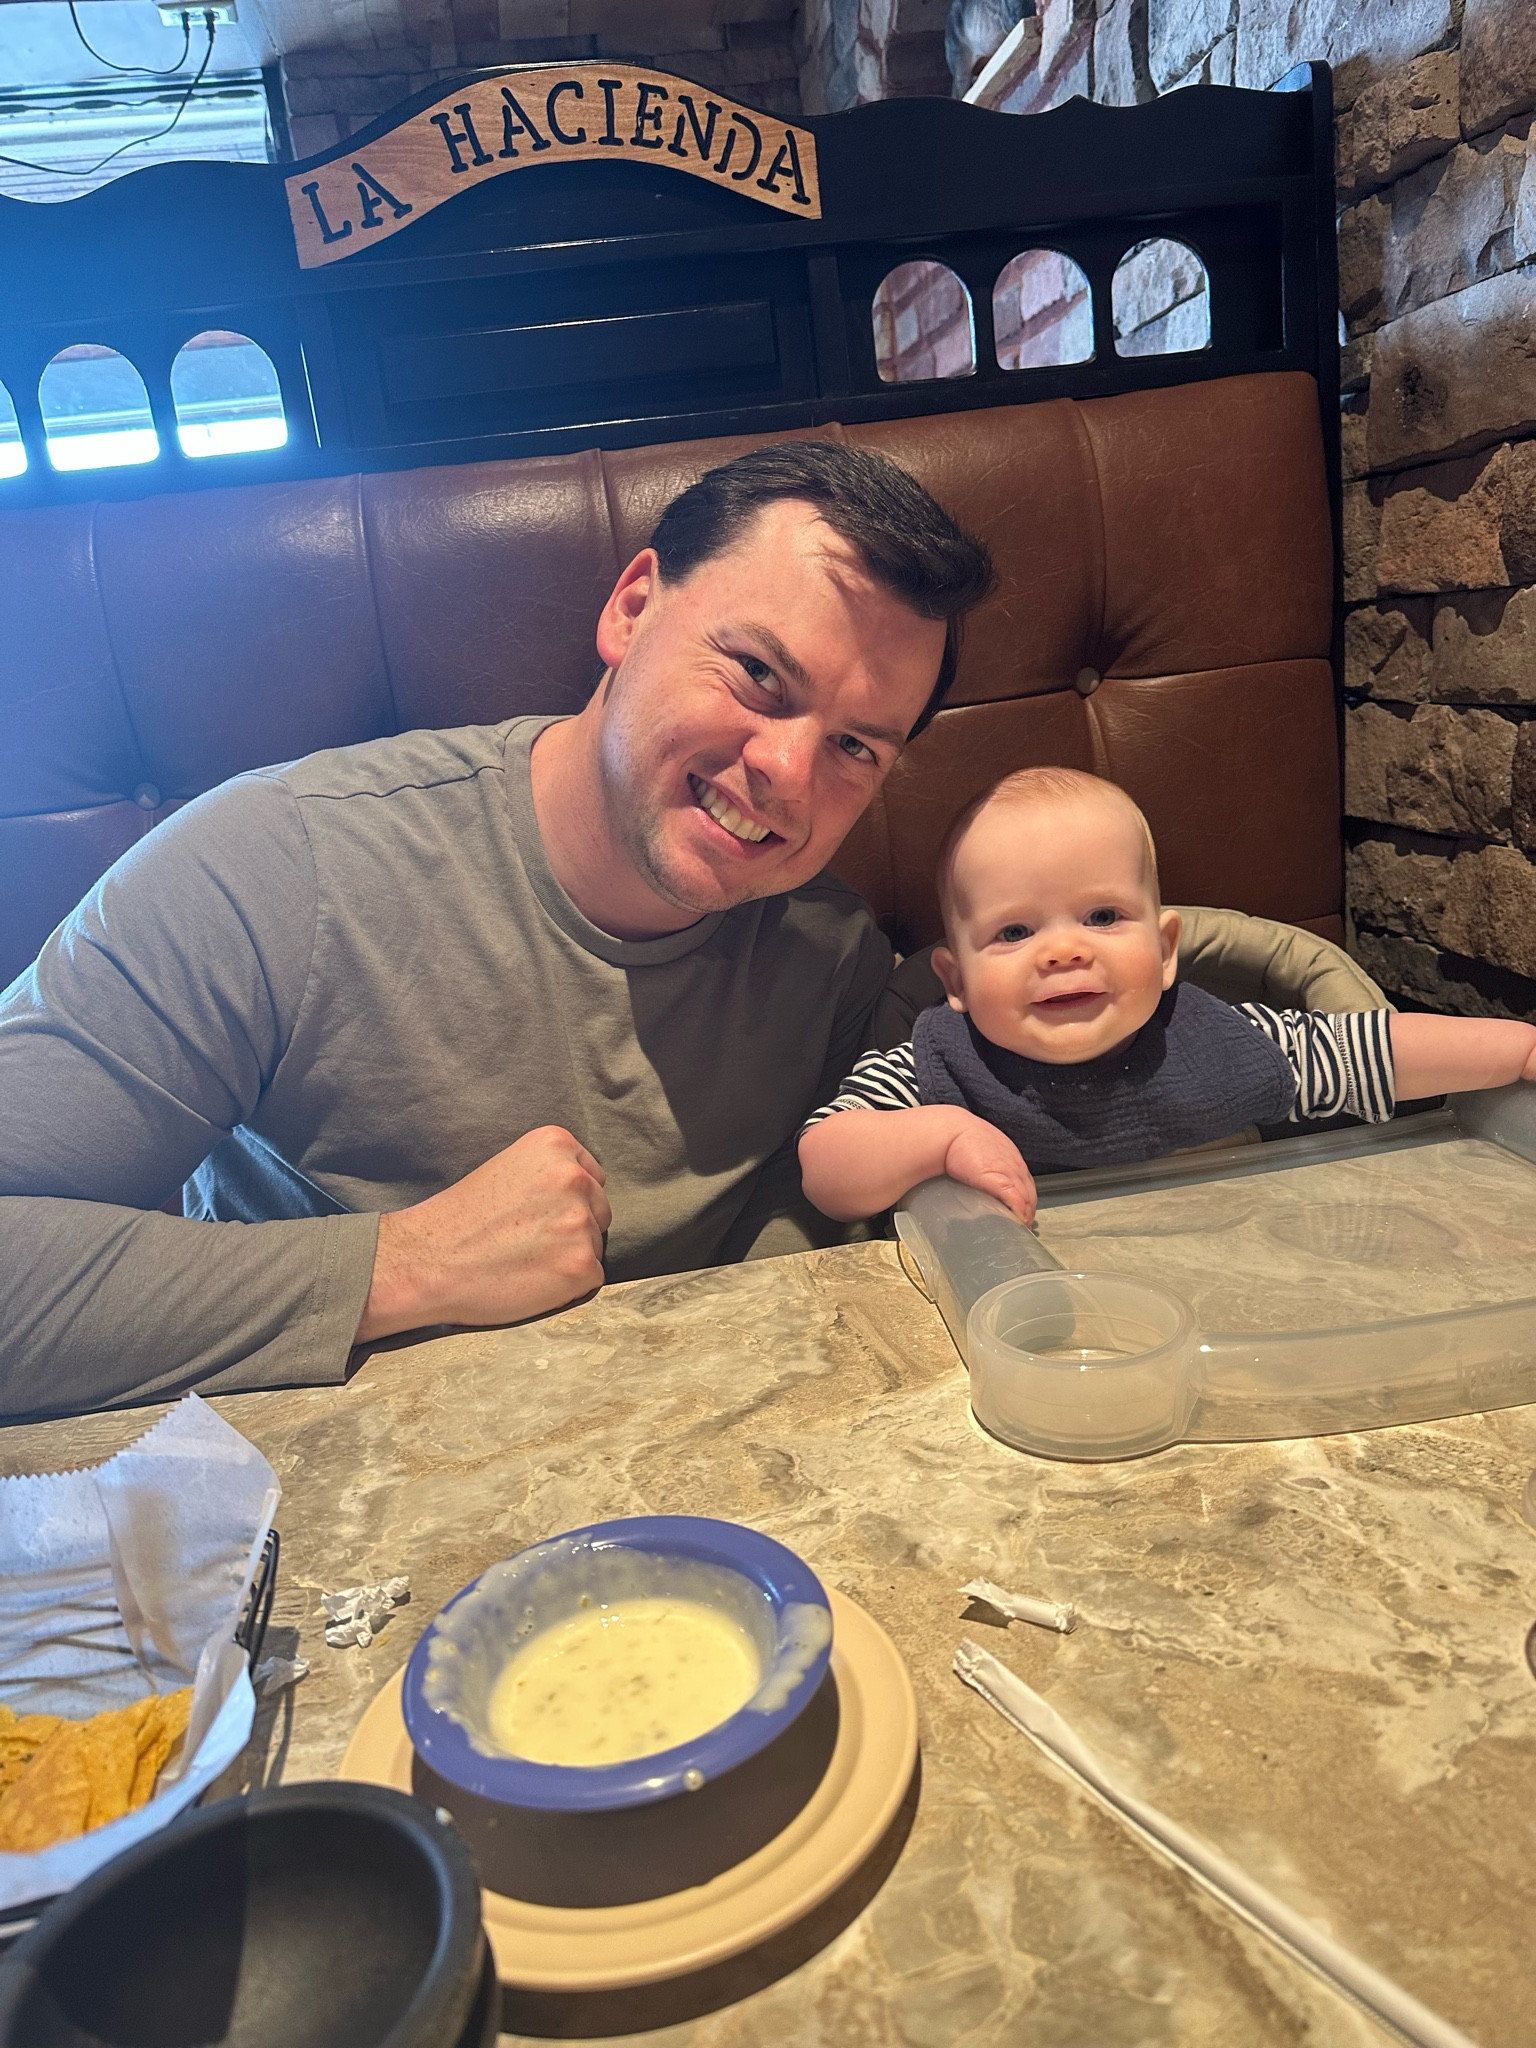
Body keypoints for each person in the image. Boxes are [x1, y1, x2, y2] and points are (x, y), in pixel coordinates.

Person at [0, 444, 993, 1420]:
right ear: (633, 607)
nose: (788, 771)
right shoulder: (278, 864)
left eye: (854, 745)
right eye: (759, 674)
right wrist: (408, 1264)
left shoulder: (830, 958)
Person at [799, 766, 1536, 1224]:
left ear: (1163, 952)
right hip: (1030, 1314)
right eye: (1014, 931)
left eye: (1102, 916)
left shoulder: (1222, 1042)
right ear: (956, 983)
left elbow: (1371, 1049)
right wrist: (943, 1136)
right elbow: (824, 1168)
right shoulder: (934, 1068)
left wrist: (1520, 1049)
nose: (1064, 950)